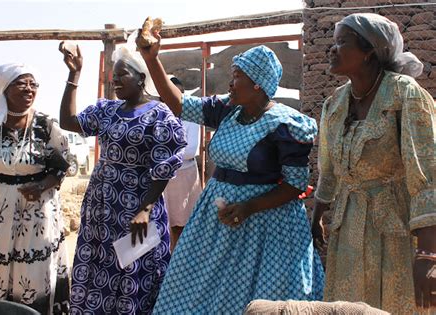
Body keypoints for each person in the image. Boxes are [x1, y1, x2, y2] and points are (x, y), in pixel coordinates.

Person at [139, 34, 324, 312]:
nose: (230, 82)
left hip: (266, 228)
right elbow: (179, 105)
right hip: (217, 222)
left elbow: (295, 186)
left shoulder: (285, 125)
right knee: (193, 291)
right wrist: (151, 59)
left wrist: (249, 207)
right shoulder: (227, 110)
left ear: (257, 83)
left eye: (237, 76)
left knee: (262, 297)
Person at [311, 13, 436, 313]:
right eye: (332, 42)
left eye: (342, 43)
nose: (332, 49)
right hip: (349, 227)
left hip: (395, 227)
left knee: (398, 303)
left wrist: (428, 255)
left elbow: (427, 175)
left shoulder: (404, 94)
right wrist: (317, 215)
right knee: (350, 306)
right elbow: (328, 168)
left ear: (369, 51)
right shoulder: (335, 104)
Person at [58, 38, 186, 315]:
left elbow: (163, 168)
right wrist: (74, 74)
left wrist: (145, 209)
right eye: (113, 75)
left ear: (141, 78)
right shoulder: (106, 110)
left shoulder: (159, 115)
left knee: (133, 268)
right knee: (98, 266)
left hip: (136, 207)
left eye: (122, 75)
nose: (115, 80)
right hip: (101, 207)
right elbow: (69, 122)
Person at [0, 63, 70, 314]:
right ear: (3, 88)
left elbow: (62, 166)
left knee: (30, 274)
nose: (29, 89)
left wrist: (42, 185)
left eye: (33, 84)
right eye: (22, 83)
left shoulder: (46, 126)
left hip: (34, 213)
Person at [162, 75, 202, 252]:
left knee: (181, 224)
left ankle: (177, 264)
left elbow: (191, 150)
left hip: (183, 177)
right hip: (163, 177)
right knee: (163, 223)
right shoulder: (158, 115)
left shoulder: (190, 117)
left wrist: (161, 154)